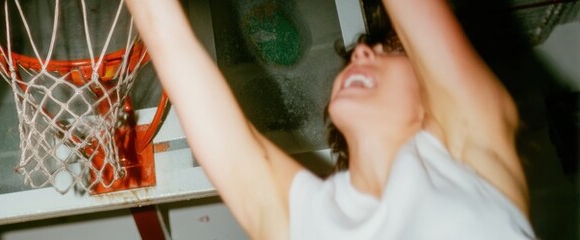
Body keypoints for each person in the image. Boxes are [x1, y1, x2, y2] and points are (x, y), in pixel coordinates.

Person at [125, 0, 533, 239]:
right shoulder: (310, 214)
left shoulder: (472, 149)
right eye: (367, 51)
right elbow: (166, 36)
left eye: (388, 50)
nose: (360, 54)